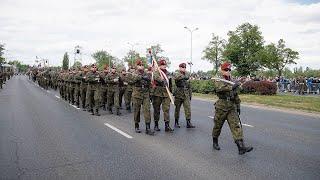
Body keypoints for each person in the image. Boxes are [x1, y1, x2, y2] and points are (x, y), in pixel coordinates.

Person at [212, 62, 253, 155]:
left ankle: (241, 147)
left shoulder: (231, 80)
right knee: (217, 126)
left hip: (231, 106)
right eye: (226, 70)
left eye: (229, 70)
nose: (228, 71)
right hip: (221, 107)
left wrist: (238, 105)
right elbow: (219, 88)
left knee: (235, 126)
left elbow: (235, 94)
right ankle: (215, 141)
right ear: (221, 70)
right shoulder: (218, 78)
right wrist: (231, 87)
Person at [132, 60, 154, 135]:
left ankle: (148, 128)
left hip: (145, 93)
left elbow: (150, 84)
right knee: (137, 110)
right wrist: (140, 77)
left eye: (142, 65)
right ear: (137, 66)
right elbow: (131, 81)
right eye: (139, 65)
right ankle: (136, 125)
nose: (141, 66)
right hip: (137, 93)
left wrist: (151, 93)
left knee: (147, 110)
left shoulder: (147, 74)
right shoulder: (134, 73)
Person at [152, 59, 174, 132]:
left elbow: (170, 83)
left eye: (164, 65)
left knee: (166, 109)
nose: (163, 66)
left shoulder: (168, 73)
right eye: (162, 65)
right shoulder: (157, 72)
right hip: (157, 92)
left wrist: (171, 93)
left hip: (166, 93)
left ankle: (167, 126)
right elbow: (155, 77)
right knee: (157, 109)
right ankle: (156, 125)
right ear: (159, 65)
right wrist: (161, 80)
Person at [173, 62, 195, 128]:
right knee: (177, 109)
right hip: (178, 94)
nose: (184, 68)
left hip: (186, 94)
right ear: (179, 68)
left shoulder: (187, 74)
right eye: (182, 67)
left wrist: (190, 95)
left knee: (188, 108)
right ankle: (176, 122)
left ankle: (188, 122)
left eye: (185, 67)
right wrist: (184, 76)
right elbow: (177, 78)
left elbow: (189, 86)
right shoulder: (176, 74)